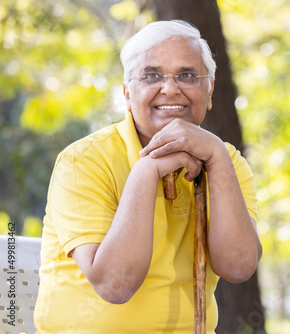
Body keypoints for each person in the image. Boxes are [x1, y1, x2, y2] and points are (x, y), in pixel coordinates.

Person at [34, 20, 262, 334]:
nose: (170, 89)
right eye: (151, 75)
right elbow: (115, 285)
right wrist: (148, 168)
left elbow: (238, 266)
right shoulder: (83, 161)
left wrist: (217, 159)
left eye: (187, 75)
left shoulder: (226, 161)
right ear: (128, 94)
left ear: (209, 91)